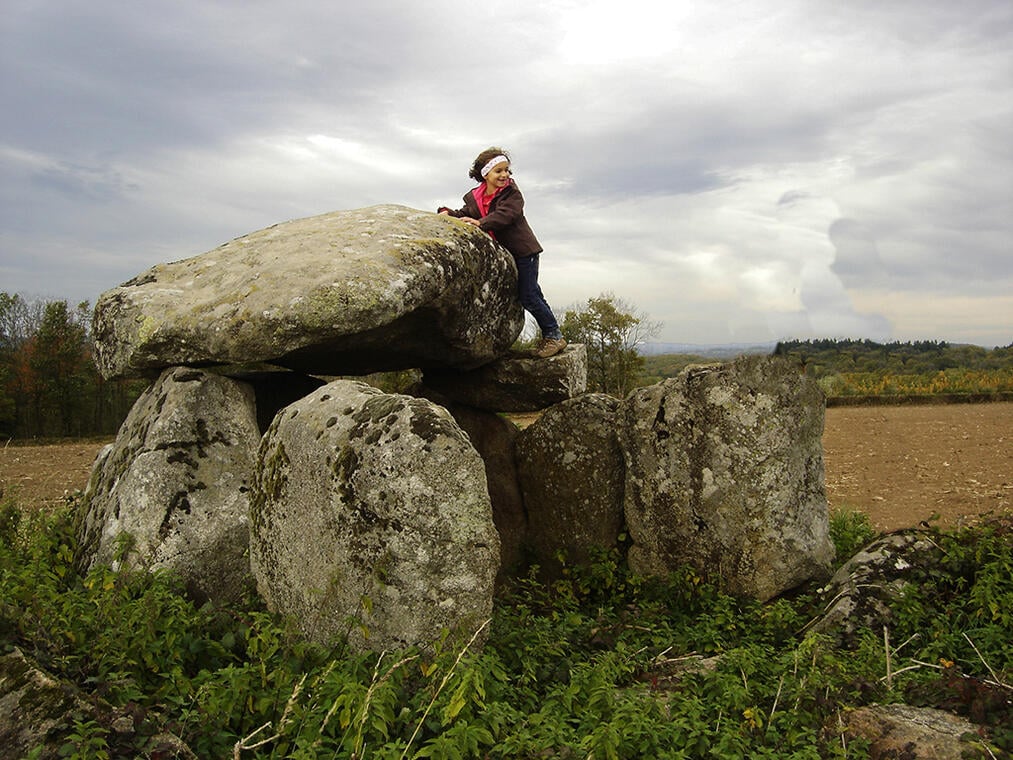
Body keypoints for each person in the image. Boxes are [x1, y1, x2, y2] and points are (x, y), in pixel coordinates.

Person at [438, 147, 567, 359]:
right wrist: (448, 213)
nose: (505, 175)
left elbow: (505, 215)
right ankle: (553, 333)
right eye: (499, 171)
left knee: (528, 296)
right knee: (533, 293)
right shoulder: (475, 197)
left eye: (507, 170)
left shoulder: (512, 194)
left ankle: (553, 335)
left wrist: (480, 223)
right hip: (507, 254)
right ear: (485, 174)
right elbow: (466, 214)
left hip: (524, 252)